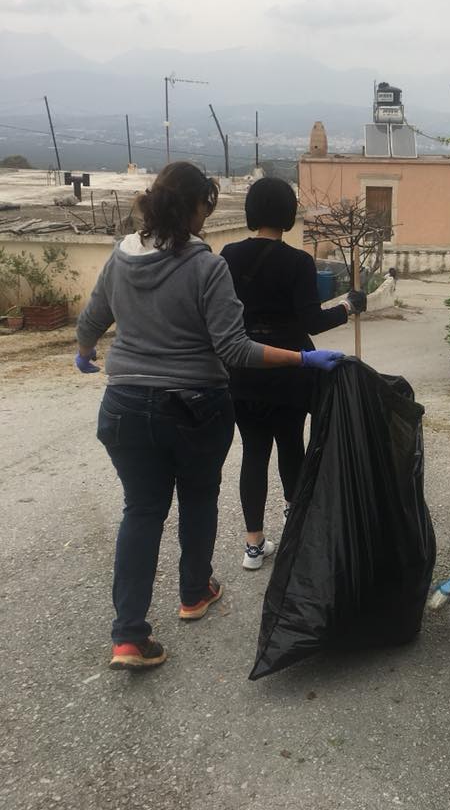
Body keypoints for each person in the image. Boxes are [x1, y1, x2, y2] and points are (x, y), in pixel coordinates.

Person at [74, 162, 343, 671]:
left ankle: (129, 636)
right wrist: (301, 358)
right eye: (207, 206)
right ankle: (194, 593)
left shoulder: (121, 255)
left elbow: (92, 318)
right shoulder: (205, 265)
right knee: (197, 497)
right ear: (198, 207)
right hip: (194, 404)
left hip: (125, 405)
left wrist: (86, 349)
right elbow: (234, 348)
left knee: (142, 510)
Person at [220, 177, 367, 569]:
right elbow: (313, 323)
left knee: (253, 453)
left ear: (252, 212)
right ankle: (296, 529)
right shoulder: (298, 262)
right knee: (291, 446)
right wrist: (349, 306)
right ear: (287, 215)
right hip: (291, 369)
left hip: (243, 369)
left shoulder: (228, 256)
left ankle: (253, 546)